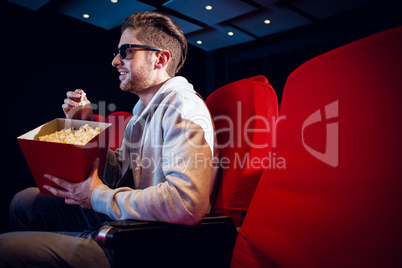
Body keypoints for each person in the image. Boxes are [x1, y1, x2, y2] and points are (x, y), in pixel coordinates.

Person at [0, 11, 218, 267]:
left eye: (126, 51)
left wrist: (97, 197)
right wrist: (85, 124)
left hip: (148, 242)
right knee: (23, 202)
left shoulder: (181, 106)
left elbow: (186, 203)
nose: (115, 61)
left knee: (4, 247)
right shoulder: (141, 112)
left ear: (160, 59)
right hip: (127, 221)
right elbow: (120, 176)